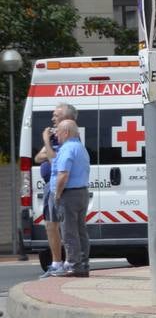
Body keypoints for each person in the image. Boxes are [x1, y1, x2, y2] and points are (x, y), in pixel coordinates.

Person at [47, 118, 91, 278]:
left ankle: (73, 266)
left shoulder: (67, 149)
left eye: (57, 131)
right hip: (81, 193)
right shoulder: (80, 147)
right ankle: (83, 264)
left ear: (66, 132)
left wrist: (57, 194)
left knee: (69, 232)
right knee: (80, 231)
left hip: (69, 194)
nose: (56, 135)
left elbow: (63, 174)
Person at [35, 103, 74, 277]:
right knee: (51, 225)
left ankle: (66, 263)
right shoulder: (54, 137)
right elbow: (38, 157)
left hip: (59, 184)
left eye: (56, 115)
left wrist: (45, 141)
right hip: (50, 184)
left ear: (66, 117)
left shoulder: (68, 137)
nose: (52, 118)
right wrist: (48, 150)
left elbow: (55, 161)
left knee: (64, 226)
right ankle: (57, 262)